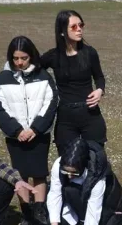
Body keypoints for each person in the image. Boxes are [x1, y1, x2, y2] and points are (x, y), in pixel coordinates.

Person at [0, 35, 58, 225]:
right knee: (20, 174)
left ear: (32, 56)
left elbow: (51, 102)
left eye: (24, 58)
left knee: (39, 173)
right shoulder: (3, 78)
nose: (19, 62)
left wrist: (36, 128)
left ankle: (39, 210)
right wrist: (17, 130)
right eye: (15, 58)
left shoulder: (44, 76)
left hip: (39, 134)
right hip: (16, 136)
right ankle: (26, 213)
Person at [42, 10, 107, 155]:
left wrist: (99, 90)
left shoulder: (90, 53)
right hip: (66, 118)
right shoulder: (53, 56)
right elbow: (33, 70)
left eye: (81, 25)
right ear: (62, 32)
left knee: (95, 161)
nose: (79, 29)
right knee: (67, 164)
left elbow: (99, 77)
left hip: (90, 115)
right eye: (73, 26)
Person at [47, 138, 111, 225]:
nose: (70, 176)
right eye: (66, 172)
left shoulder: (97, 176)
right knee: (58, 221)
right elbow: (54, 194)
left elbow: (94, 210)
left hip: (102, 205)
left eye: (74, 173)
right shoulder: (58, 165)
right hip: (74, 200)